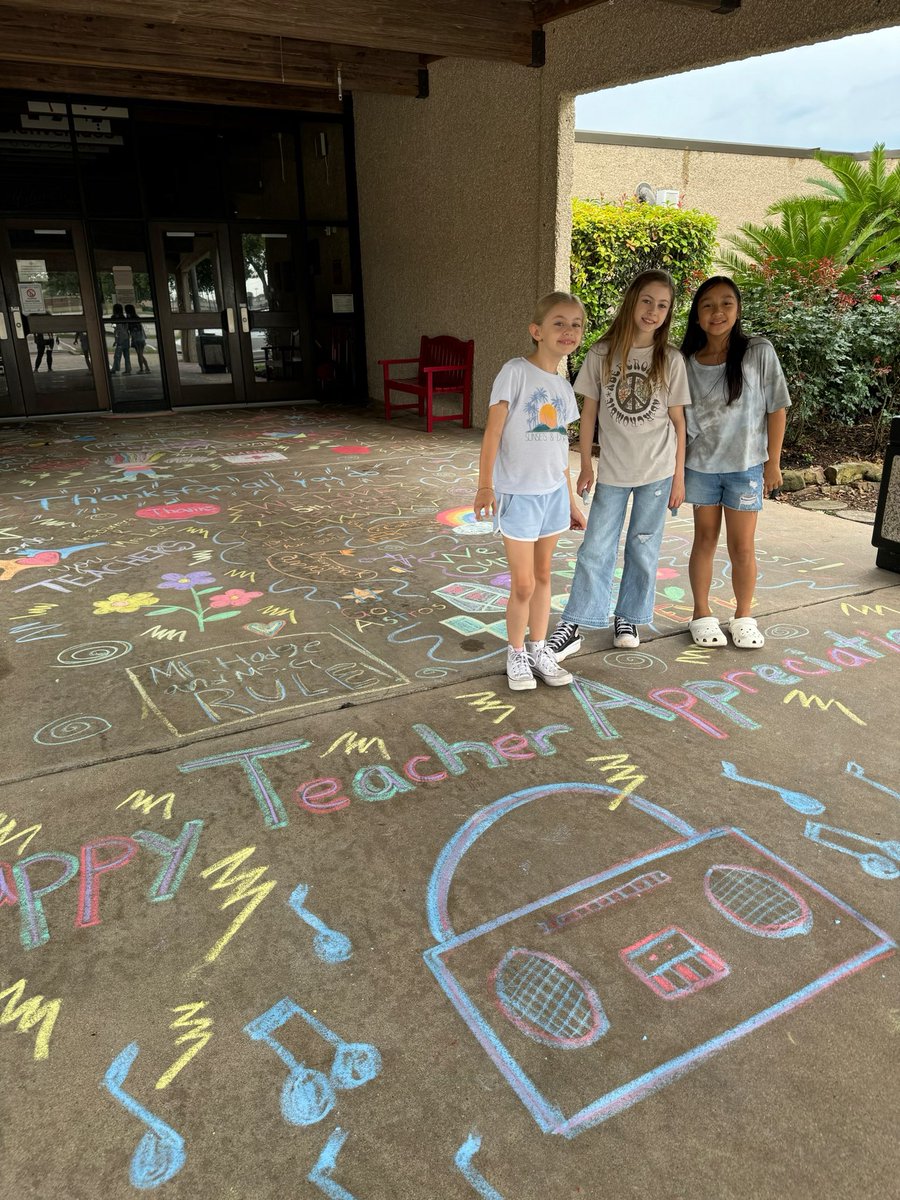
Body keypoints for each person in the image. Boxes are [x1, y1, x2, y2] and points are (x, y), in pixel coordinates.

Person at [547, 270, 689, 661]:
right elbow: (589, 410)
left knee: (644, 547)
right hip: (612, 470)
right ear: (632, 301)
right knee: (596, 547)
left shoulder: (671, 360)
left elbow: (679, 422)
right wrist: (586, 463)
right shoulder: (601, 353)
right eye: (647, 301)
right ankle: (574, 621)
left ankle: (627, 616)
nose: (653, 311)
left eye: (662, 305)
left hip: (658, 472)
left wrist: (679, 477)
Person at [474, 291, 587, 691]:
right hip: (518, 494)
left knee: (543, 576)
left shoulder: (563, 387)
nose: (569, 330)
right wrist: (485, 484)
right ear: (536, 331)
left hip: (554, 495)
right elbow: (494, 431)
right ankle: (516, 652)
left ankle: (540, 648)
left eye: (576, 324)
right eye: (559, 322)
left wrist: (571, 500)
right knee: (522, 583)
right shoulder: (515, 372)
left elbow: (560, 450)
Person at [679, 275, 790, 650]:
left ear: (738, 309)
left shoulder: (758, 351)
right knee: (705, 540)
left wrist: (772, 462)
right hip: (702, 468)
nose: (717, 312)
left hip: (745, 468)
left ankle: (743, 615)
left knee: (742, 546)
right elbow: (679, 421)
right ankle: (700, 612)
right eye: (708, 304)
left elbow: (777, 408)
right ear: (696, 315)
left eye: (727, 303)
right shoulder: (687, 362)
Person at [125, 304, 150, 374]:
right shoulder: (136, 317)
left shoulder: (131, 319)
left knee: (139, 354)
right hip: (141, 338)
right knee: (140, 354)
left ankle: (142, 369)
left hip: (136, 339)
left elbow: (131, 329)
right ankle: (147, 368)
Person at [110, 303, 131, 375]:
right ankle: (128, 369)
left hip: (120, 338)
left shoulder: (113, 317)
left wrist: (115, 340)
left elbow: (115, 329)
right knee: (126, 355)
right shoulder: (124, 317)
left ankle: (115, 369)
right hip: (126, 338)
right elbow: (126, 328)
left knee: (117, 355)